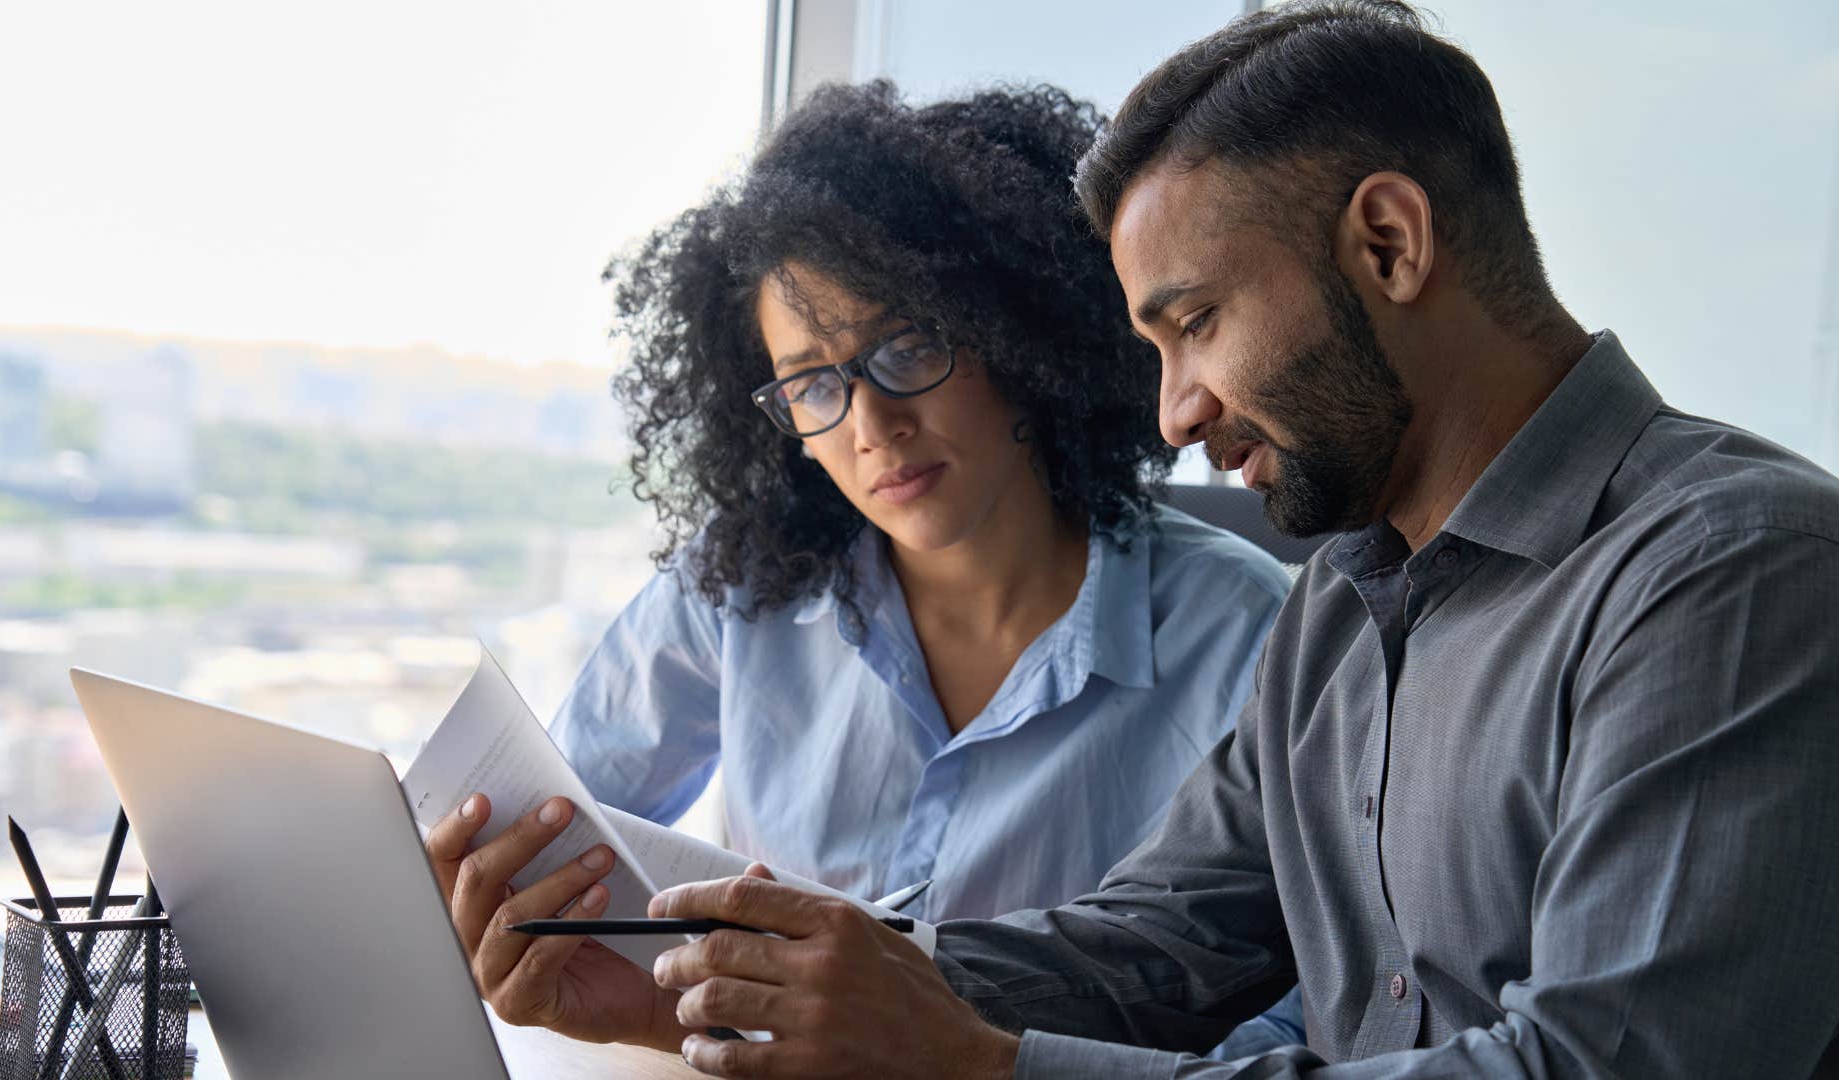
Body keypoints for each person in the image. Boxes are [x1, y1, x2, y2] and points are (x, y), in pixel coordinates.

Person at [428, 1, 1839, 1075]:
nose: (1172, 415)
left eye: (1196, 322)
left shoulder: (1733, 572)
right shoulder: (1350, 602)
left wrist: (987, 1070)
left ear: (1391, 245)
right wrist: (720, 991)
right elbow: (1152, 942)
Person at [429, 81, 1305, 1050]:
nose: (873, 424)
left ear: (1019, 337)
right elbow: (562, 826)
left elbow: (1302, 1021)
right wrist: (499, 914)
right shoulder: (739, 592)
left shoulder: (1250, 639)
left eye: (909, 347)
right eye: (812, 384)